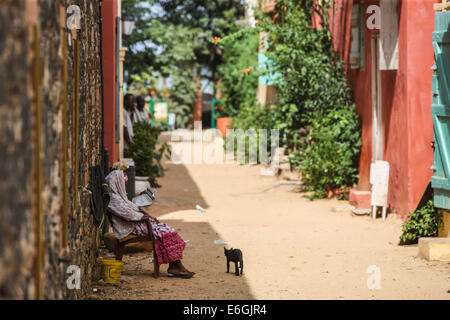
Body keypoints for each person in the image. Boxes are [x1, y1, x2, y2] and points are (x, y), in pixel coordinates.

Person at [105, 170, 195, 279]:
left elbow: (130, 210)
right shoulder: (113, 199)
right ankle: (175, 266)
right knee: (167, 232)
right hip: (131, 227)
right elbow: (128, 214)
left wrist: (144, 213)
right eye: (123, 182)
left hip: (136, 225)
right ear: (117, 182)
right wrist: (145, 217)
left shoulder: (118, 196)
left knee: (168, 229)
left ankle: (175, 265)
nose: (124, 185)